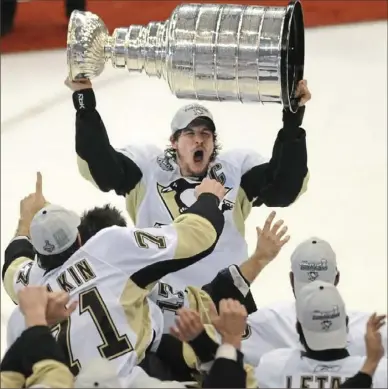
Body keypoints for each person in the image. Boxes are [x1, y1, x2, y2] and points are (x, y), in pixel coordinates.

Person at [65, 77, 311, 290]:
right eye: (190, 134)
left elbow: (286, 187)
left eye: (206, 134)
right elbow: (100, 167)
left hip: (224, 303)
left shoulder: (235, 171)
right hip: (161, 311)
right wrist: (85, 104)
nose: (199, 141)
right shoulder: (148, 169)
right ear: (174, 141)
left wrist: (292, 123)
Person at [2, 172, 226, 378]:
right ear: (80, 239)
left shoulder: (30, 289)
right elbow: (199, 235)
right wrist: (208, 197)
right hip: (135, 377)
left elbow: (13, 262)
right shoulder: (106, 247)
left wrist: (25, 222)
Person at [241, 237, 388, 365]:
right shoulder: (375, 332)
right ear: (337, 278)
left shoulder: (266, 322)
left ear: (292, 280)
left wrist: (257, 260)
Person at [255, 280, 387, 388]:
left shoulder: (273, 366)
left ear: (298, 328)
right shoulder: (381, 373)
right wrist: (372, 361)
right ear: (346, 324)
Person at [1, 286, 76, 388]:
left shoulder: (15, 320)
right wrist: (36, 318)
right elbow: (56, 379)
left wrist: (37, 324)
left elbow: (9, 376)